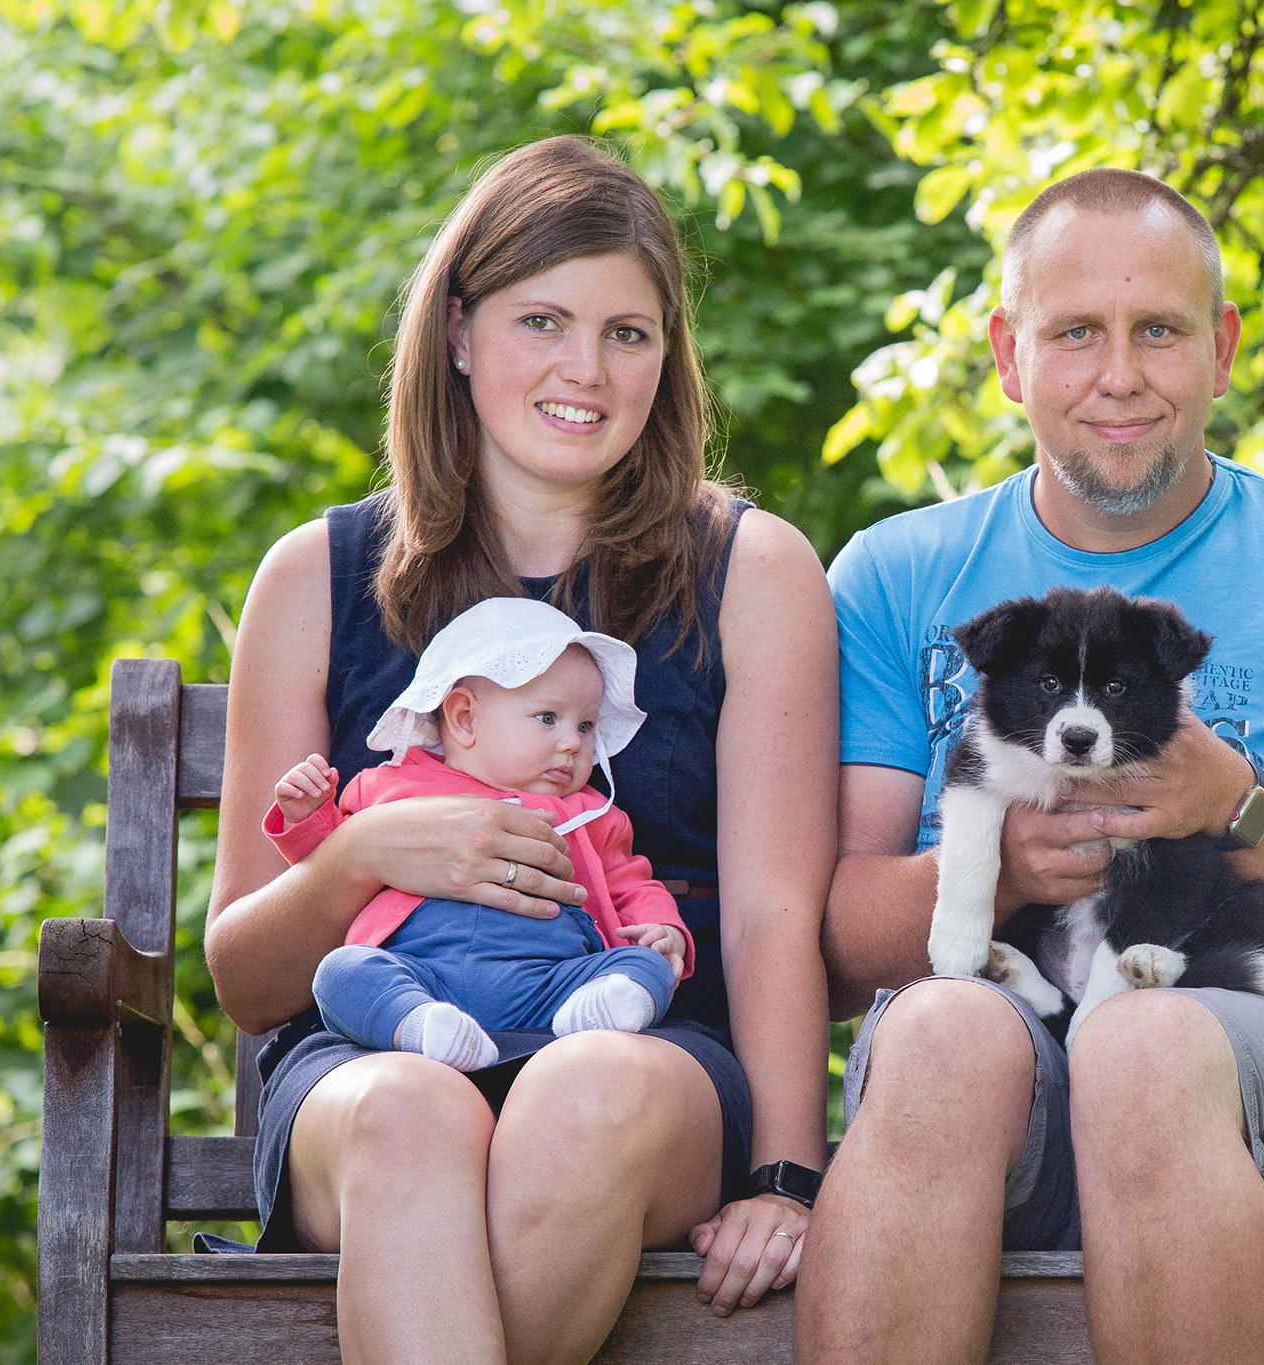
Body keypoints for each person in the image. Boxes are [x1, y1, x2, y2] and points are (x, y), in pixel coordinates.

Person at [205, 136, 836, 1364]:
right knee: (409, 1113)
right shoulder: (317, 577)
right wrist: (362, 858)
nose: (584, 370)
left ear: (669, 353)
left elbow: (768, 917)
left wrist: (788, 1176)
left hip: (645, 1055)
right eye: (541, 319)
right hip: (368, 1056)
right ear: (456, 328)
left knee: (584, 1085)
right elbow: (247, 981)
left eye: (628, 332)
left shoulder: (749, 572)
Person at [797, 168, 1264, 1364]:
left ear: (1223, 347)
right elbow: (835, 937)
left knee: (1139, 1035)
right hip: (990, 1096)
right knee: (934, 1033)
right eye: (1074, 332)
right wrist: (1014, 869)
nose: (1119, 374)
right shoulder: (894, 575)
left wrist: (1230, 802)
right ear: (1007, 355)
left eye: (1159, 331)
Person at [270, 600, 693, 1072]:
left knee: (647, 969)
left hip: (552, 983)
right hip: (424, 975)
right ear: (465, 718)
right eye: (548, 718)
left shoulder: (590, 814)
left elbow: (631, 882)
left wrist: (662, 929)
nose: (573, 742)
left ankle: (596, 1013)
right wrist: (308, 815)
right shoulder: (391, 787)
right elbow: (330, 863)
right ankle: (422, 1025)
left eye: (586, 725)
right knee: (340, 973)